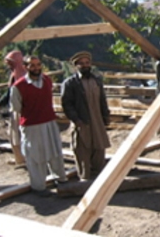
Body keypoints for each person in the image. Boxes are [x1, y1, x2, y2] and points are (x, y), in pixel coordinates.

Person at [10, 55, 67, 197]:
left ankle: (60, 178)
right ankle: (39, 186)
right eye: (32, 65)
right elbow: (16, 107)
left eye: (38, 64)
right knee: (35, 156)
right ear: (25, 67)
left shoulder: (47, 80)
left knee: (55, 152)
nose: (36, 68)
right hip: (32, 125)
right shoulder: (19, 86)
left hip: (49, 121)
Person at [61, 51, 111, 181]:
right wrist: (76, 120)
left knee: (99, 150)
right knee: (82, 152)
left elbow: (102, 100)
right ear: (75, 66)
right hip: (81, 123)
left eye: (87, 63)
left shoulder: (97, 81)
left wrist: (106, 116)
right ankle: (84, 180)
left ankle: (100, 181)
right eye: (81, 64)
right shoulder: (70, 83)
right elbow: (67, 104)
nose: (85, 66)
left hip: (98, 122)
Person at [0, 50, 26, 166]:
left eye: (10, 63)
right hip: (19, 109)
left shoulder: (19, 77)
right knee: (17, 135)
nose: (8, 65)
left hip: (20, 110)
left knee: (17, 135)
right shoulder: (16, 74)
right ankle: (20, 159)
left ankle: (23, 160)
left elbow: (10, 94)